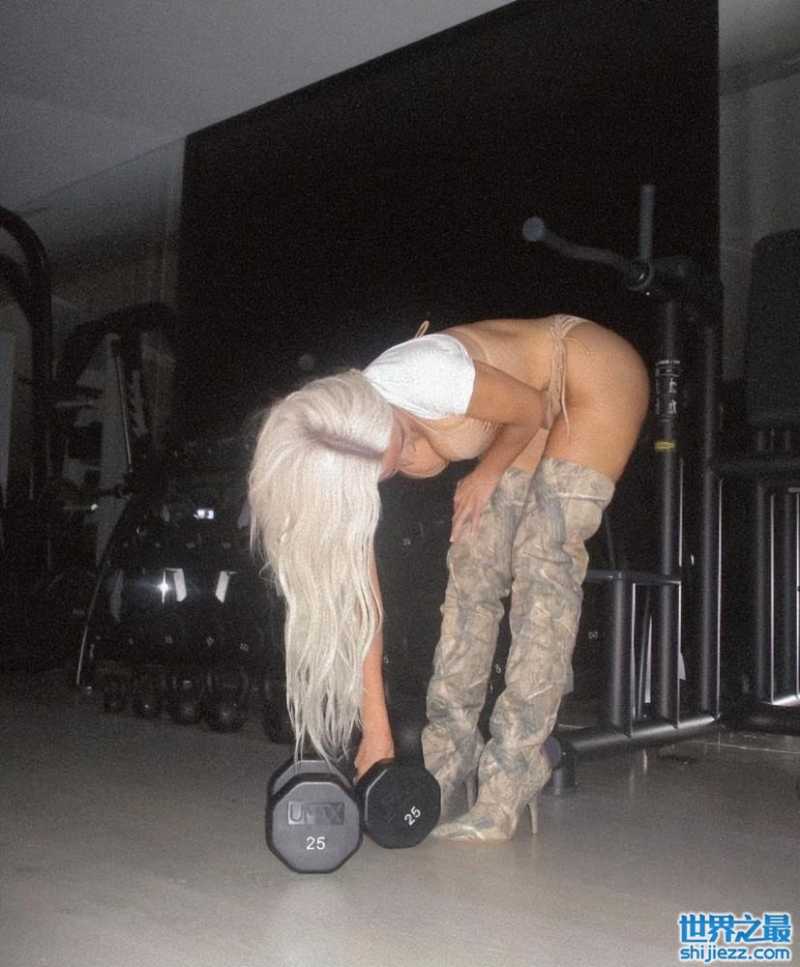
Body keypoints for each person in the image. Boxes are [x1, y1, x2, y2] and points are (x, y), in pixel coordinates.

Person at [248, 314, 649, 842]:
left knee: (542, 568)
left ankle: (512, 777)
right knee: (471, 575)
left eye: (381, 467)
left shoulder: (428, 377)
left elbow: (531, 408)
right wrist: (377, 733)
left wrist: (486, 472)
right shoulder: (346, 436)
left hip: (587, 373)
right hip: (527, 414)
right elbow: (364, 605)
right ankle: (444, 761)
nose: (384, 478)